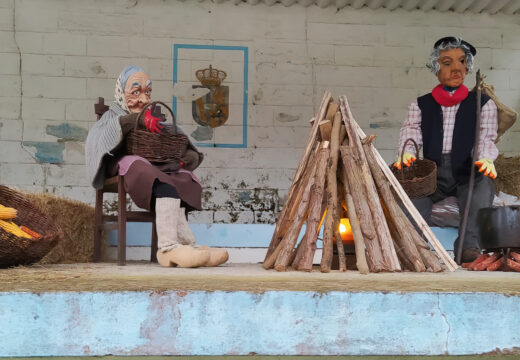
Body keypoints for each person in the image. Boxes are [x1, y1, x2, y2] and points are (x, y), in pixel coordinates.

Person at [85, 65, 228, 267]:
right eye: (135, 92)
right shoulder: (112, 117)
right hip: (121, 163)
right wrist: (138, 119)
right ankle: (168, 248)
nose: (143, 99)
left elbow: (186, 147)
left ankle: (189, 245)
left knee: (182, 176)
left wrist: (181, 160)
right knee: (142, 168)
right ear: (120, 92)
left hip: (154, 167)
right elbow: (101, 140)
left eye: (147, 92)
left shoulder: (155, 118)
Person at [394, 37, 498, 264]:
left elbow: (485, 137)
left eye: (462, 62)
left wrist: (486, 158)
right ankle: (413, 249)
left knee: (481, 189)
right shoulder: (421, 104)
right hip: (432, 172)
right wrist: (408, 152)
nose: (457, 68)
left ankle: (468, 248)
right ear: (436, 67)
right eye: (448, 62)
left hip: (466, 168)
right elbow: (411, 132)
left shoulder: (483, 103)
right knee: (412, 197)